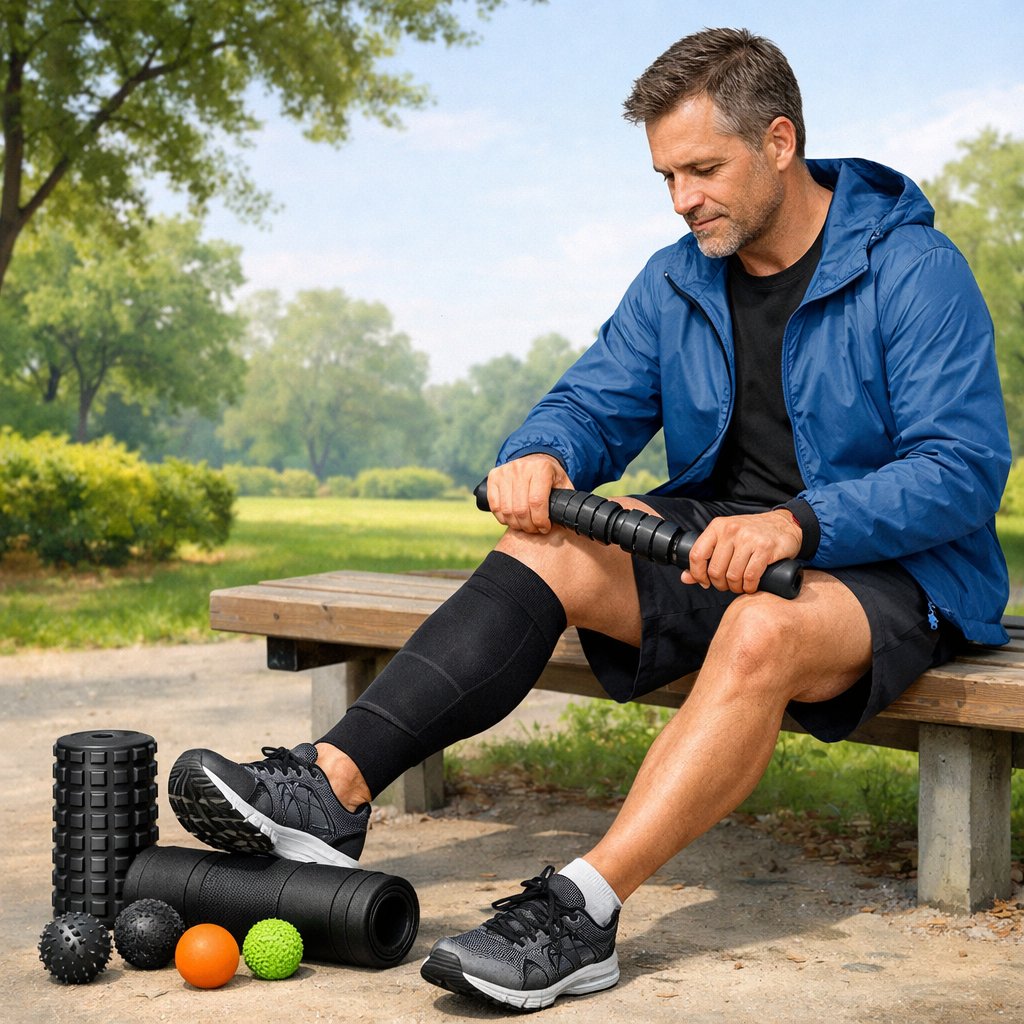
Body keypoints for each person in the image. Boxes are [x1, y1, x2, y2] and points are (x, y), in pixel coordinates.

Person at [168, 27, 1011, 1012]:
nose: (682, 198)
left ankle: (584, 909)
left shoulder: (913, 269)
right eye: (664, 176)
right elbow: (592, 400)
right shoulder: (676, 277)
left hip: (893, 569)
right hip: (718, 544)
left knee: (763, 626)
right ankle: (330, 789)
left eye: (702, 169)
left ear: (780, 142)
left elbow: (959, 471)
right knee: (547, 541)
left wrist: (799, 524)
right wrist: (541, 454)